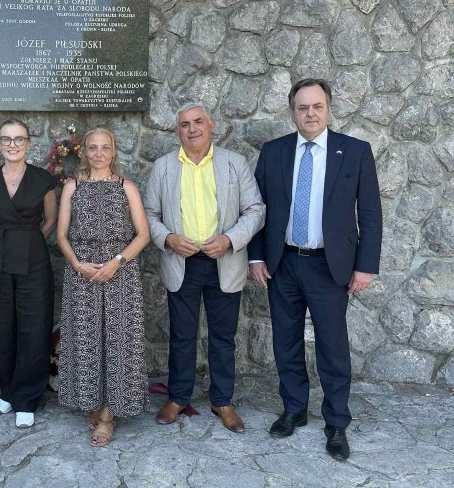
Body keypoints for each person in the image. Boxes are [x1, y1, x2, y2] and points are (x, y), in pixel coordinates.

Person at [249, 78, 382, 461]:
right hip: (284, 263)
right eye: (302, 107)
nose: (310, 113)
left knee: (332, 347)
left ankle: (336, 421)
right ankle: (294, 409)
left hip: (329, 266)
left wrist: (365, 266)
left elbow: (370, 213)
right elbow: (257, 209)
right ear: (292, 112)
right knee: (285, 342)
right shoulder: (274, 151)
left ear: (328, 108)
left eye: (317, 106)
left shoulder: (354, 151)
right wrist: (256, 257)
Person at [144, 102, 264, 432]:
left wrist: (229, 240)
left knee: (223, 337)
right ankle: (178, 397)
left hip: (224, 261)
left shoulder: (235, 163)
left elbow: (255, 210)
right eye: (185, 124)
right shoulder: (164, 167)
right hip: (181, 263)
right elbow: (149, 214)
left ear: (211, 125)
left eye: (198, 122)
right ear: (177, 131)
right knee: (182, 336)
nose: (192, 129)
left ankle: (221, 400)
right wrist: (168, 238)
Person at [56, 128, 150, 447]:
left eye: (105, 147)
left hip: (119, 273)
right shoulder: (72, 186)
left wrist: (116, 262)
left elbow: (143, 234)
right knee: (87, 339)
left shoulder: (127, 187)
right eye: (93, 148)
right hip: (82, 273)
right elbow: (61, 235)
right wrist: (77, 264)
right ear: (85, 152)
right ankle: (93, 401)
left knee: (119, 340)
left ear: (114, 151)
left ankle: (110, 415)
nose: (99, 153)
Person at [0, 120, 58, 429]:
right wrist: (4, 244)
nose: (13, 145)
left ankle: (27, 397)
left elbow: (50, 220)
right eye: (7, 139)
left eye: (19, 139)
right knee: (2, 326)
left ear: (28, 143)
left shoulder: (42, 180)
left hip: (33, 260)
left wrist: (27, 241)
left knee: (34, 327)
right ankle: (8, 390)